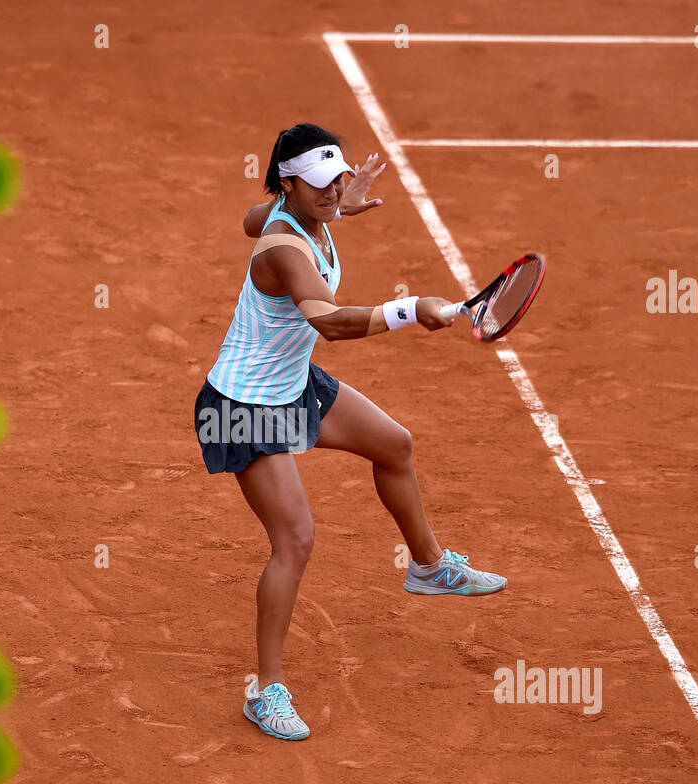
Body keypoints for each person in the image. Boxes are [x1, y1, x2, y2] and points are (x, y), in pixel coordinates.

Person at [194, 123, 506, 741]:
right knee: (297, 540)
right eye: (321, 184)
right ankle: (266, 690)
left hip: (291, 382)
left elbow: (250, 219)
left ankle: (428, 567)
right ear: (290, 183)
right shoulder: (285, 248)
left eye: (337, 178)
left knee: (395, 444)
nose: (334, 191)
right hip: (243, 407)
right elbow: (330, 323)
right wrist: (410, 309)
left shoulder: (287, 210)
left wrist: (341, 202)